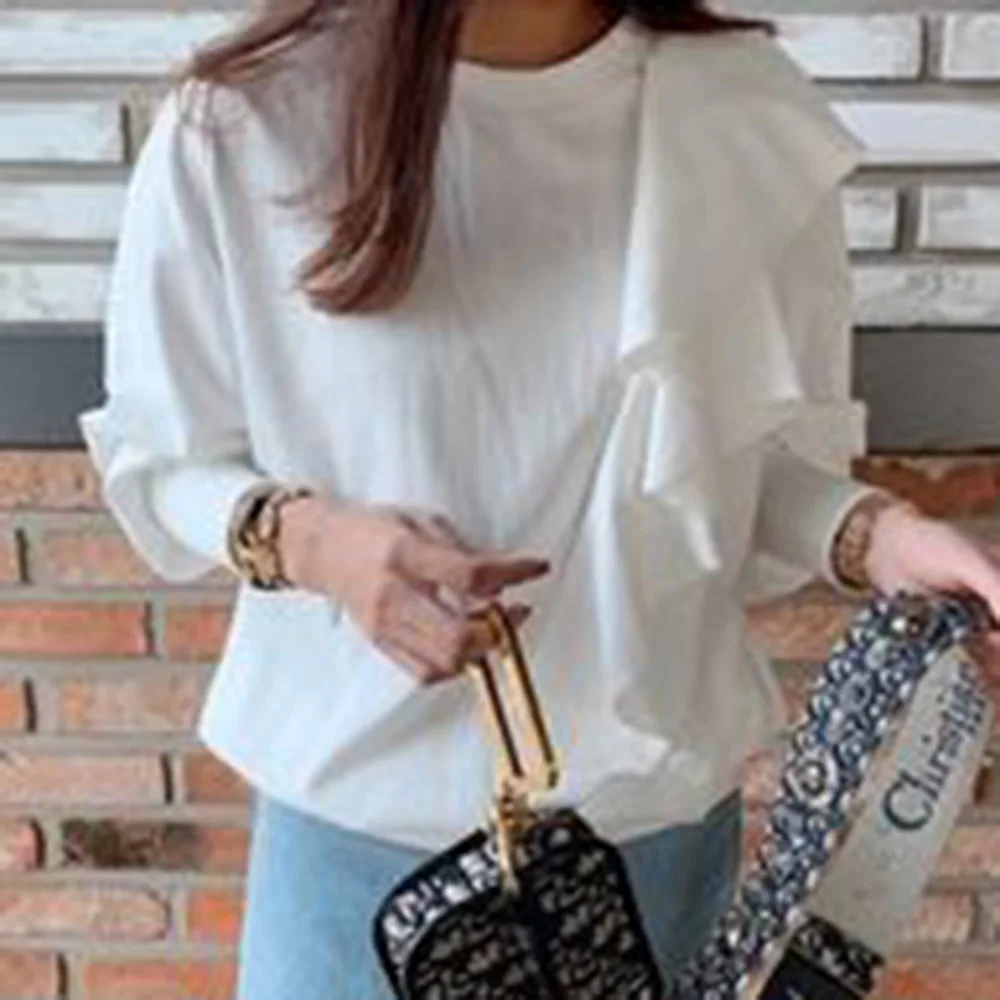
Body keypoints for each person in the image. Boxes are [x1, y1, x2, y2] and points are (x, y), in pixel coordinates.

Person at [77, 1, 1000, 997]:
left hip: (654, 850)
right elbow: (161, 457)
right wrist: (314, 543)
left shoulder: (737, 109)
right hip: (358, 859)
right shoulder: (250, 121)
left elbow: (724, 468)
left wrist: (876, 535)